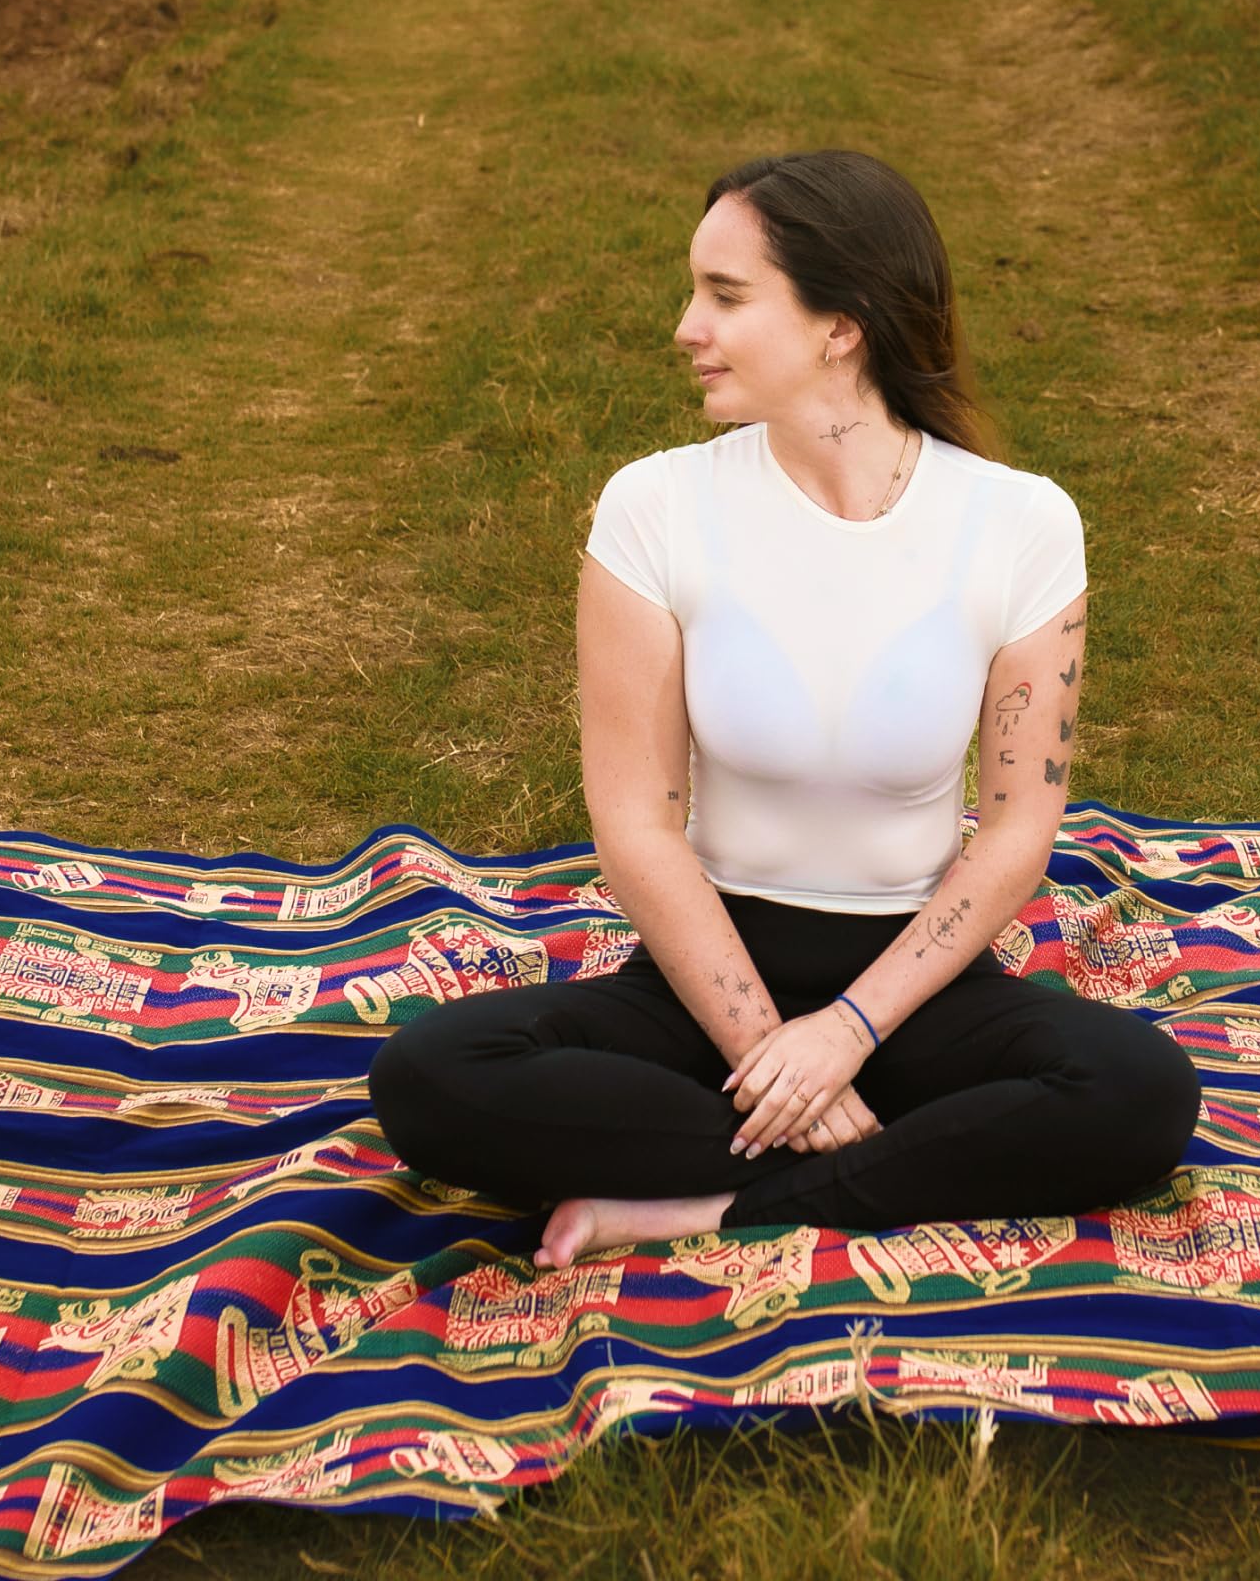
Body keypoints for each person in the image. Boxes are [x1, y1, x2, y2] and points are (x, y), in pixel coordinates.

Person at [367, 150, 1202, 1272]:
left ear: (838, 324)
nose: (684, 326)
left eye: (724, 294)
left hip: (914, 981)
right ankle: (892, 1167)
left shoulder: (1019, 524)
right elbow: (637, 828)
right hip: (707, 979)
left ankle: (701, 1206)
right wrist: (774, 1056)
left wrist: (846, 1034)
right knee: (428, 1078)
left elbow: (1014, 832)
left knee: (1139, 1093)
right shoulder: (654, 508)